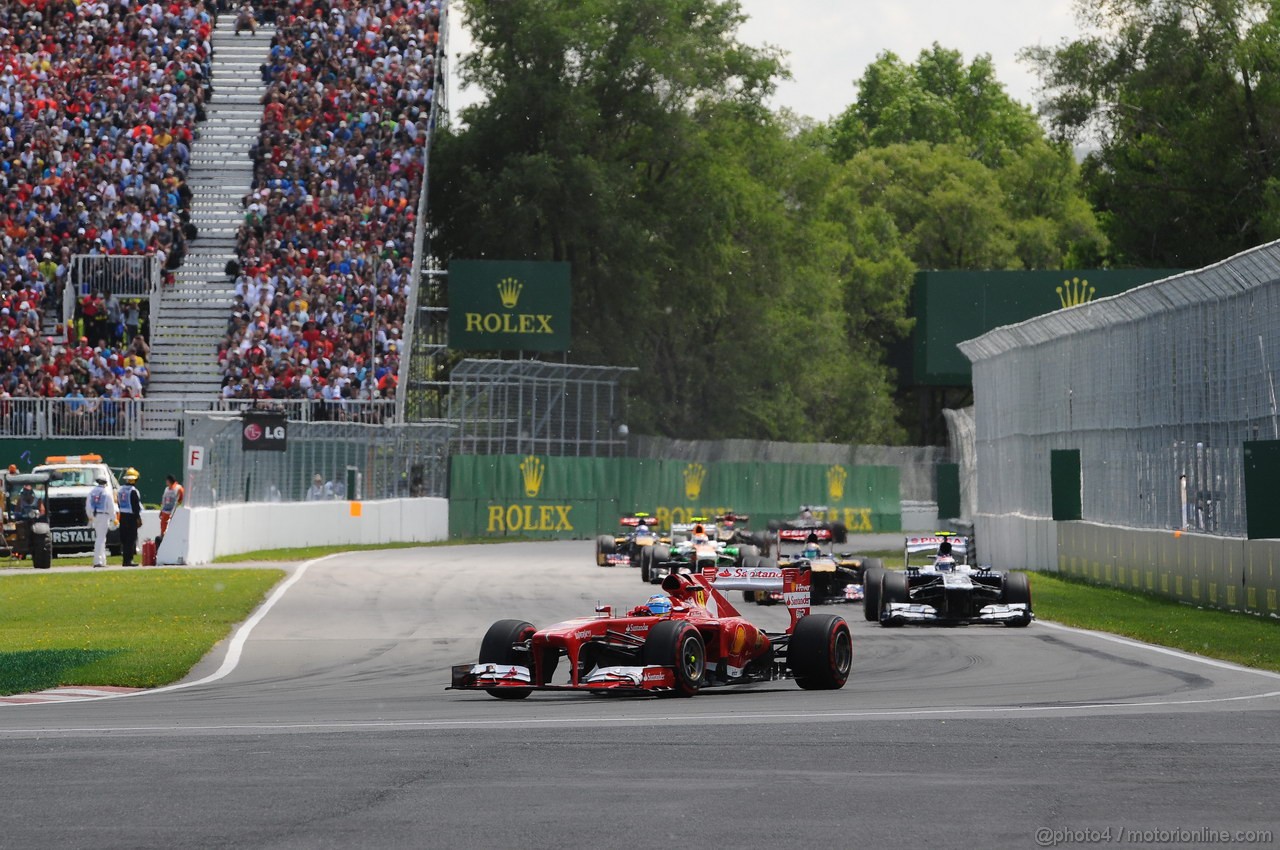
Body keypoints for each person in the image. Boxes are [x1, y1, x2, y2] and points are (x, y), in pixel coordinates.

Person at [86, 474, 117, 568]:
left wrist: (90, 516)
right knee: (101, 539)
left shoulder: (91, 492)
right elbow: (111, 507)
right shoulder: (106, 493)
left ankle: (103, 561)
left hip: (95, 516)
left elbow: (88, 506)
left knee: (101, 538)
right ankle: (98, 561)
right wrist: (114, 518)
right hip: (104, 515)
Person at [117, 468, 143, 567]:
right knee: (131, 539)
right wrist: (138, 518)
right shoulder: (133, 491)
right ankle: (129, 560)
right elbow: (135, 506)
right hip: (131, 517)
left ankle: (125, 560)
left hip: (122, 516)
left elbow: (119, 503)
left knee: (124, 539)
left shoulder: (120, 490)